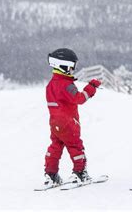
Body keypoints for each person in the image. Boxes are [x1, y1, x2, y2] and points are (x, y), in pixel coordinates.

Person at [42, 48, 102, 188]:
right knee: (75, 146)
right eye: (71, 66)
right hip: (68, 122)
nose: (73, 70)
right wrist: (91, 87)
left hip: (55, 123)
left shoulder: (51, 84)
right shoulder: (66, 84)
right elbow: (80, 99)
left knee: (55, 146)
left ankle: (51, 175)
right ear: (62, 66)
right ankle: (80, 173)